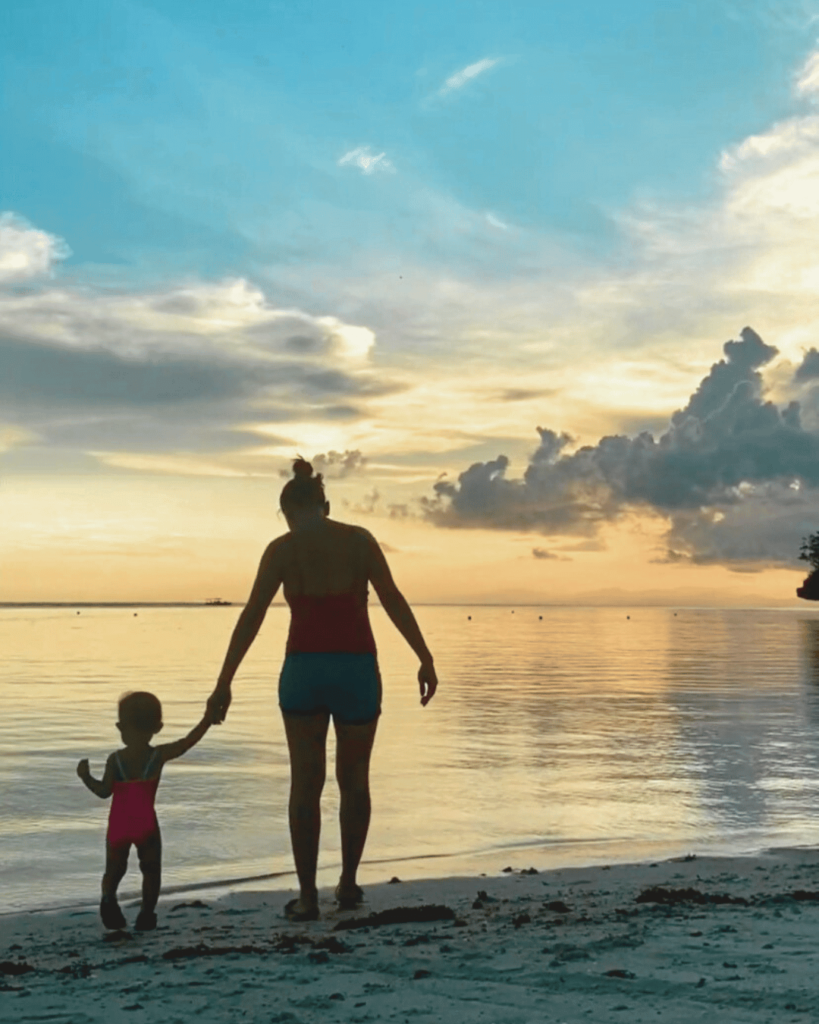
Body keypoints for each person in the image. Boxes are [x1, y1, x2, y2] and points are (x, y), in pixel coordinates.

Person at [208, 458, 438, 921]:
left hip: (303, 672)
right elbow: (392, 597)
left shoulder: (280, 550)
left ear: (287, 512)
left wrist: (224, 682)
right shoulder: (358, 541)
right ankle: (348, 884)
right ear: (325, 504)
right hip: (356, 669)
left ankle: (308, 896)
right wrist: (424, 656)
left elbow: (252, 615)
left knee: (304, 785)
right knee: (354, 782)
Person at [77, 691, 213, 931]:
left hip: (119, 825)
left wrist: (85, 777)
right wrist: (206, 720)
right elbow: (187, 742)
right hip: (146, 823)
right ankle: (146, 914)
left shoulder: (115, 760)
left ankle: (108, 898)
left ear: (121, 727)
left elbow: (103, 791)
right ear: (157, 727)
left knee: (114, 870)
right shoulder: (157, 756)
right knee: (151, 871)